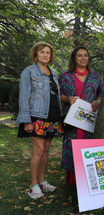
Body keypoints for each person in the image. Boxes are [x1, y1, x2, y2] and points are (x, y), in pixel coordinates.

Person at [16, 41, 64, 199]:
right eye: (42, 52)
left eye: (48, 52)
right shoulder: (28, 72)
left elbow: (55, 95)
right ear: (35, 54)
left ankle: (42, 182)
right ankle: (33, 186)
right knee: (38, 150)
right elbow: (24, 96)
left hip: (53, 116)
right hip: (36, 116)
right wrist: (26, 120)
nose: (45, 55)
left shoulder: (53, 73)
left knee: (46, 150)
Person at [59, 46, 104, 184]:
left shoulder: (95, 76)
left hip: (89, 120)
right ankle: (73, 179)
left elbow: (102, 93)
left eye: (85, 55)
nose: (83, 58)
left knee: (88, 147)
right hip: (72, 120)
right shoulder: (65, 75)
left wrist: (97, 101)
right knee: (73, 146)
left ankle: (88, 179)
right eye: (79, 55)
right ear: (74, 58)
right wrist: (67, 99)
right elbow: (58, 95)